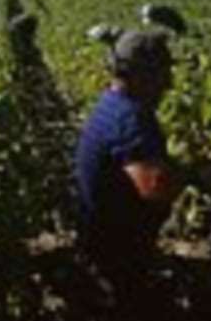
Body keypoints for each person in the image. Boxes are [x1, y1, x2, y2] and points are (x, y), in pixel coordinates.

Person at [75, 29, 182, 271]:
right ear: (140, 74)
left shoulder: (110, 104)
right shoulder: (132, 120)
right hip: (117, 253)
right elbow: (156, 189)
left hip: (95, 238)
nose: (169, 83)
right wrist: (198, 175)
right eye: (162, 74)